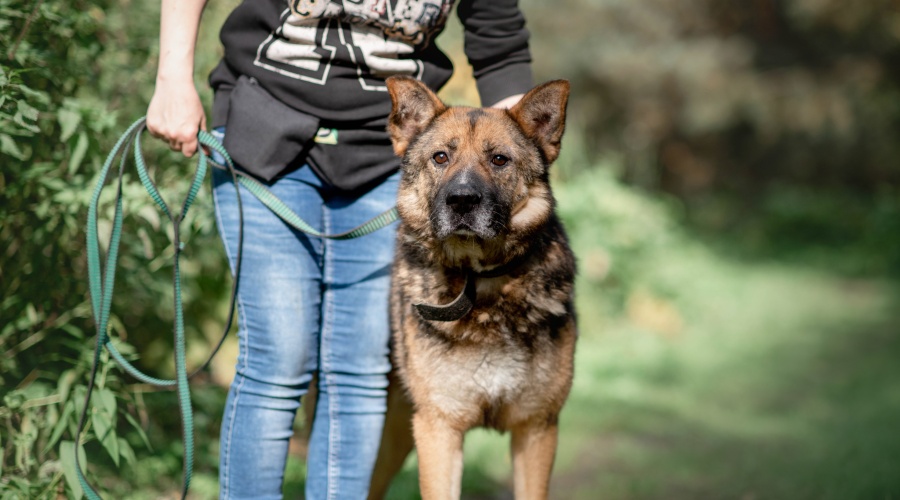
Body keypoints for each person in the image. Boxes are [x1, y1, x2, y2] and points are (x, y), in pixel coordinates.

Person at [146, 0, 534, 498]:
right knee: (279, 359)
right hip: (264, 126)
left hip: (390, 158)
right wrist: (172, 77)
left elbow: (497, 34)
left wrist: (524, 154)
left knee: (359, 370)